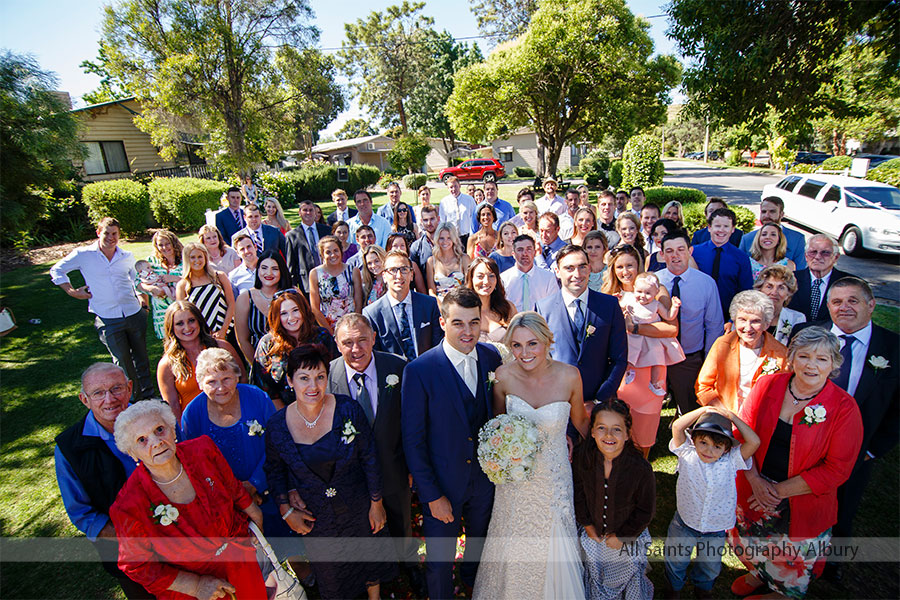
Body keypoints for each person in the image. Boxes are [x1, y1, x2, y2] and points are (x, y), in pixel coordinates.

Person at [728, 327, 863, 599]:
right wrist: (755, 481)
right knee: (753, 539)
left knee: (791, 553)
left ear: (834, 364)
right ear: (791, 358)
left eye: (821, 359)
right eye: (804, 356)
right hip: (755, 484)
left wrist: (776, 492)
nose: (811, 365)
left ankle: (782, 593)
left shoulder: (844, 408)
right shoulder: (768, 385)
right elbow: (741, 434)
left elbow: (837, 469)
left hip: (801, 496)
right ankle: (759, 573)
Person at [264, 344, 396, 599]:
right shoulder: (277, 426)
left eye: (320, 377)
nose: (313, 386)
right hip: (317, 515)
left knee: (369, 558)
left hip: (358, 505)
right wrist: (286, 510)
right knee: (332, 575)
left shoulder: (348, 409)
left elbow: (369, 458)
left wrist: (376, 503)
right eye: (304, 378)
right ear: (290, 381)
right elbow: (275, 470)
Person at [473, 312, 588, 600]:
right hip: (515, 481)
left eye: (532, 344)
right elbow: (498, 426)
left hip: (554, 479)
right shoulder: (503, 376)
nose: (524, 353)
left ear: (547, 341)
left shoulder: (570, 376)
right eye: (516, 345)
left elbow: (581, 422)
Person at [401, 288, 503, 599]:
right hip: (442, 486)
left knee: (479, 550)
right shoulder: (419, 370)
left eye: (474, 322)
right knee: (439, 563)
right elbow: (413, 441)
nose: (468, 331)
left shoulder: (491, 358)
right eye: (458, 323)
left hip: (484, 483)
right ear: (443, 322)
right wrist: (432, 496)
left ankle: (475, 589)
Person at [110, 401, 267, 599]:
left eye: (159, 430)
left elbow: (231, 486)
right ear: (132, 453)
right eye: (142, 440)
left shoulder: (202, 449)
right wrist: (195, 586)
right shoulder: (128, 505)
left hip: (241, 562)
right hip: (197, 591)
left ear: (172, 430)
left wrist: (255, 513)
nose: (156, 442)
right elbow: (137, 565)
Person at [798, 277, 899, 582]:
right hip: (804, 443)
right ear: (828, 306)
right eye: (837, 301)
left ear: (871, 305)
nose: (844, 308)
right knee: (799, 502)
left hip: (857, 450)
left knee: (844, 507)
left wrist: (873, 450)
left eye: (853, 301)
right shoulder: (808, 334)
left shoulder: (893, 347)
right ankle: (791, 559)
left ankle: (831, 564)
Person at [326, 314, 424, 594]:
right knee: (362, 527)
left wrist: (411, 467)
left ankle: (408, 565)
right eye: (347, 343)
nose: (356, 349)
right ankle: (374, 574)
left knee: (400, 520)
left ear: (373, 338)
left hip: (393, 465)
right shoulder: (328, 376)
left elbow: (412, 422)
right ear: (337, 344)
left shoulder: (397, 367)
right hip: (352, 475)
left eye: (362, 340)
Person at [55, 364, 153, 599]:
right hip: (128, 553)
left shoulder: (155, 418)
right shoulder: (70, 448)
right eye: (98, 393)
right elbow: (82, 514)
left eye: (116, 388)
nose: (109, 399)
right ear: (85, 400)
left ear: (129, 388)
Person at [180, 348, 287, 543]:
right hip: (223, 501)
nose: (221, 388)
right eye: (211, 382)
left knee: (286, 547)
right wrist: (237, 495)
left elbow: (276, 442)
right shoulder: (192, 414)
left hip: (268, 489)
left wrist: (254, 484)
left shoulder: (257, 397)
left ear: (237, 376)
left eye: (226, 379)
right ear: (200, 384)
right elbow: (193, 465)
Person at [50, 217, 155, 400]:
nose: (111, 237)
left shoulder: (126, 256)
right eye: (107, 233)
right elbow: (57, 270)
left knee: (141, 358)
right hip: (108, 318)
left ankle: (149, 395)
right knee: (122, 361)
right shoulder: (83, 255)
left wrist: (144, 303)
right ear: (98, 233)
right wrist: (72, 291)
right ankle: (132, 400)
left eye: (115, 234)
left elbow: (137, 281)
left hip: (133, 313)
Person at [664, 407, 759, 600]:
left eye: (717, 446)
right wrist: (703, 410)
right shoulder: (686, 453)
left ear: (727, 448)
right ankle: (673, 589)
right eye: (703, 443)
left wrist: (732, 417)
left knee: (709, 565)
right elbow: (677, 426)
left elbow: (754, 442)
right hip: (684, 523)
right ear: (694, 440)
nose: (709, 450)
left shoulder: (732, 460)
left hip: (715, 527)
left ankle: (703, 590)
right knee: (676, 559)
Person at [572, 400, 656, 600]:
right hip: (594, 536)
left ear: (627, 434)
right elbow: (578, 494)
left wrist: (623, 536)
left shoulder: (640, 469)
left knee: (624, 578)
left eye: (616, 429)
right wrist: (588, 525)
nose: (608, 435)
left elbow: (645, 510)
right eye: (601, 428)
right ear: (592, 432)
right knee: (596, 577)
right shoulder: (583, 458)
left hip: (626, 538)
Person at [602, 245, 679, 453]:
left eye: (630, 265)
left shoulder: (655, 290)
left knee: (645, 419)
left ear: (639, 265)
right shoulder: (609, 295)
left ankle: (642, 462)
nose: (625, 271)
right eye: (620, 267)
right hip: (621, 364)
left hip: (649, 364)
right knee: (617, 418)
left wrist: (634, 328)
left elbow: (672, 328)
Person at [537, 245, 628, 404]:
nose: (577, 274)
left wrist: (599, 400)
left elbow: (619, 358)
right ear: (557, 271)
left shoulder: (609, 305)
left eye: (582, 267)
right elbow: (540, 359)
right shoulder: (543, 308)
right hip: (557, 401)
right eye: (569, 268)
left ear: (590, 268)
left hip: (600, 402)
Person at [657, 231, 725, 415]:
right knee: (651, 405)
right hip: (657, 357)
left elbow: (714, 326)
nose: (675, 255)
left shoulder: (706, 283)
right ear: (662, 254)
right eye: (669, 251)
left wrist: (708, 361)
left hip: (689, 357)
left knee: (690, 408)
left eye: (681, 249)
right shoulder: (653, 281)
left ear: (690, 251)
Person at [697, 290, 789, 414]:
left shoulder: (780, 354)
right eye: (742, 320)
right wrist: (727, 415)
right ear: (734, 321)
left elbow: (782, 396)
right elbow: (703, 386)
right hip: (724, 414)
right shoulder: (723, 344)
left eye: (755, 321)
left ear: (766, 324)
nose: (748, 328)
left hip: (761, 417)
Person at [157, 300, 245, 422]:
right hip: (195, 421)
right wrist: (183, 431)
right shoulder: (167, 364)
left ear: (199, 320)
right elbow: (173, 405)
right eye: (179, 323)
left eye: (191, 320)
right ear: (171, 327)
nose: (187, 327)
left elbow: (242, 379)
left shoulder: (221, 346)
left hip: (231, 416)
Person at [252, 289, 336, 409]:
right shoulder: (267, 344)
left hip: (324, 406)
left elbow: (334, 375)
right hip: (283, 409)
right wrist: (288, 415)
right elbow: (265, 389)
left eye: (295, 310)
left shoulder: (322, 336)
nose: (291, 318)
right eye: (283, 313)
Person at [364, 250, 443, 360]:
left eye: (404, 269)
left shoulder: (429, 304)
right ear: (384, 276)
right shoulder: (372, 314)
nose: (399, 276)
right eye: (393, 270)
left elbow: (438, 345)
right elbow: (375, 354)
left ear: (411, 275)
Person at [620, 272, 685, 397]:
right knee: (628, 355)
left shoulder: (656, 305)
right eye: (639, 292)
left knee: (657, 360)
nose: (642, 296)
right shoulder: (629, 299)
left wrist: (675, 307)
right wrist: (619, 302)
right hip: (633, 336)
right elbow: (620, 309)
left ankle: (655, 383)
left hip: (651, 336)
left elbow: (669, 316)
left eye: (648, 293)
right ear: (634, 289)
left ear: (656, 293)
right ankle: (627, 372)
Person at [234, 249, 293, 363]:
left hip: (293, 360)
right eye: (264, 268)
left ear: (281, 271)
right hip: (261, 362)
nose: (269, 273)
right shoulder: (245, 298)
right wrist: (258, 366)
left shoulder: (292, 294)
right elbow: (242, 340)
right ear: (258, 270)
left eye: (274, 269)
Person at [693, 207, 753, 317]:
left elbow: (745, 291)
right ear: (709, 228)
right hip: (697, 312)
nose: (721, 230)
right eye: (717, 226)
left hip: (727, 313)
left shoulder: (741, 258)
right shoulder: (694, 252)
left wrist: (733, 318)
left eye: (726, 226)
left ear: (733, 229)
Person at [176, 242, 236, 340]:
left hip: (228, 329)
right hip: (201, 335)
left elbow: (231, 303)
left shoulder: (219, 277)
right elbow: (183, 316)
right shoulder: (183, 285)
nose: (197, 260)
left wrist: (223, 330)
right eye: (192, 257)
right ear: (187, 259)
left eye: (200, 256)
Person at [787, 234, 849, 325]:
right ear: (806, 256)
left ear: (836, 257)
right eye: (813, 252)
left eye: (825, 252)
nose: (818, 257)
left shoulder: (849, 283)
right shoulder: (789, 279)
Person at [309, 235, 364, 334]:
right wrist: (330, 332)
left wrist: (353, 326)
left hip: (351, 325)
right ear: (322, 254)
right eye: (328, 252)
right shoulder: (315, 273)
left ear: (341, 251)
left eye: (336, 251)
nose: (333, 255)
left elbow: (358, 302)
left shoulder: (353, 271)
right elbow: (315, 308)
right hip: (327, 326)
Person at [136, 230, 184, 340]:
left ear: (174, 243)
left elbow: (195, 281)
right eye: (160, 245)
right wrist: (151, 288)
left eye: (167, 243)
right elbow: (137, 283)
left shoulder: (185, 259)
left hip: (182, 310)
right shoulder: (151, 262)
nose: (164, 247)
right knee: (168, 344)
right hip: (162, 313)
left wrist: (175, 279)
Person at [739, 196, 807, 270]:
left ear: (781, 214)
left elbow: (800, 271)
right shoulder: (747, 239)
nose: (767, 215)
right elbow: (739, 267)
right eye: (764, 211)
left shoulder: (797, 239)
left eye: (772, 212)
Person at [464, 257, 517, 344]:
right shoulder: (462, 310)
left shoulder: (508, 308)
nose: (486, 281)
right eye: (480, 276)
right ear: (471, 278)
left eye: (491, 276)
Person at [501, 234, 559, 312]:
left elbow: (554, 306)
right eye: (520, 250)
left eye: (529, 249)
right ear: (513, 254)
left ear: (534, 252)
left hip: (540, 319)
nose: (525, 253)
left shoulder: (548, 278)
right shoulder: (503, 279)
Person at [285, 199, 332, 293]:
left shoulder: (326, 230)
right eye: (305, 210)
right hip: (306, 281)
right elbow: (291, 263)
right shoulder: (292, 235)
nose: (308, 213)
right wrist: (293, 285)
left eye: (311, 210)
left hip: (328, 276)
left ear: (315, 213)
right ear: (299, 213)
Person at [754, 265, 807, 345]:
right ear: (760, 290)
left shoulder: (797, 318)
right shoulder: (748, 315)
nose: (774, 292)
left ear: (788, 294)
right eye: (769, 287)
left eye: (781, 288)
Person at [426, 223, 471, 299]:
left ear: (454, 239)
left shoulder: (464, 259)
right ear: (437, 239)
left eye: (449, 238)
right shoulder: (431, 261)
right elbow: (431, 290)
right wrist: (439, 304)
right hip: (439, 302)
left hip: (460, 301)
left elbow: (468, 285)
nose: (445, 241)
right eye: (441, 238)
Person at [439, 176, 476, 245]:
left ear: (459, 185)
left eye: (455, 186)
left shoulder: (469, 200)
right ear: (448, 188)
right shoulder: (444, 202)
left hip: (467, 237)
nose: (454, 189)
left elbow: (474, 218)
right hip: (451, 237)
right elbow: (442, 221)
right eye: (451, 187)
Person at [410, 204, 439, 276]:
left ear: (438, 219)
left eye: (432, 219)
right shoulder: (416, 247)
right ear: (421, 221)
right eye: (425, 220)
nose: (429, 223)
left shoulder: (447, 243)